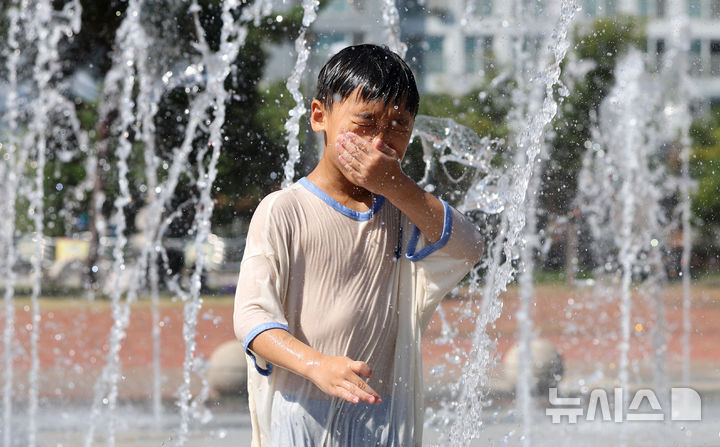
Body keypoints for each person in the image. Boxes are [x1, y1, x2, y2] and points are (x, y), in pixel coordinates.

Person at [233, 44, 483, 446]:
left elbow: (470, 248)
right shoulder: (285, 209)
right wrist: (317, 365)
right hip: (304, 412)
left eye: (399, 126)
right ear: (319, 116)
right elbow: (251, 316)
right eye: (365, 122)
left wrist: (396, 185)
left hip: (385, 415)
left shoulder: (403, 211)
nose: (380, 141)